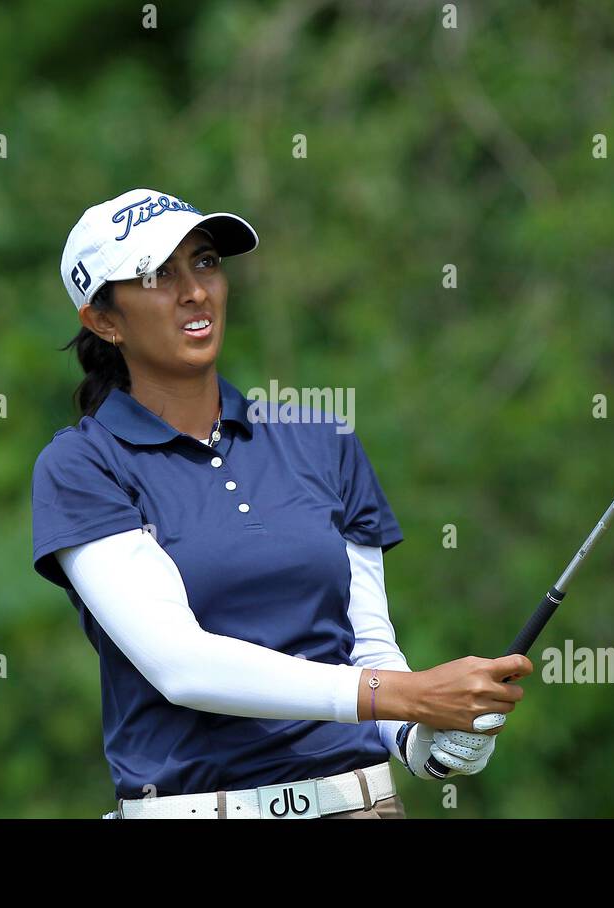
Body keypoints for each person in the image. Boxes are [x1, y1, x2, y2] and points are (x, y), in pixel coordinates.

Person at [32, 188, 531, 819]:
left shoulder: (323, 440)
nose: (195, 291)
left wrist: (425, 737)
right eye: (159, 276)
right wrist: (406, 695)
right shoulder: (82, 466)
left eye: (206, 262)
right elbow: (183, 666)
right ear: (104, 320)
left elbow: (367, 650)